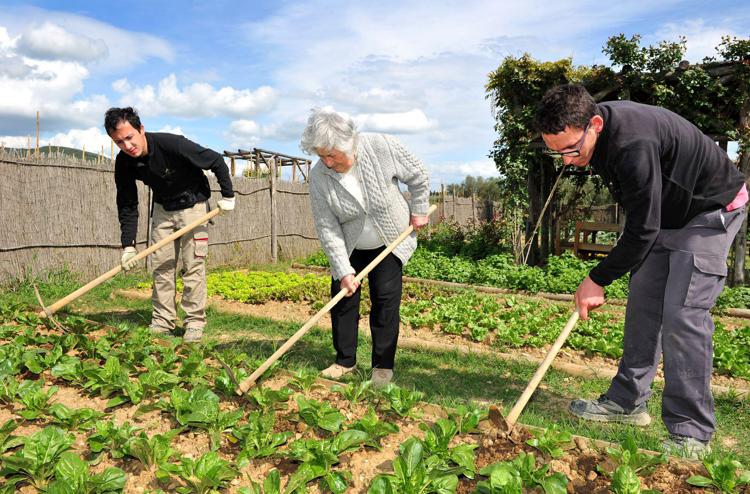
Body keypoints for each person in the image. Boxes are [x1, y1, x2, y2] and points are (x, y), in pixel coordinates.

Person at [534, 84, 747, 458]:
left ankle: (691, 432)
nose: (567, 160)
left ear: (595, 124)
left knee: (683, 317)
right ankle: (627, 402)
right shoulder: (594, 137)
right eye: (557, 153)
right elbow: (643, 216)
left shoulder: (632, 142)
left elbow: (642, 227)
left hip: (709, 210)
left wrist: (596, 278)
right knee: (644, 305)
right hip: (667, 214)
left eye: (570, 150)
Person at [300, 107, 430, 386]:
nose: (327, 161)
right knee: (343, 299)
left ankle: (382, 367)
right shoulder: (320, 177)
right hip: (350, 245)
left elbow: (418, 174)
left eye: (331, 154)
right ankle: (344, 361)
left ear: (348, 143)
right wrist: (344, 270)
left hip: (389, 239)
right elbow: (327, 226)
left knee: (385, 300)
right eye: (321, 155)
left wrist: (419, 209)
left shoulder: (380, 146)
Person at [104, 107, 235, 342]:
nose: (127, 145)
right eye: (119, 142)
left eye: (129, 137)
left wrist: (228, 196)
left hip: (194, 206)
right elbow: (127, 203)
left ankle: (194, 323)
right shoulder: (124, 163)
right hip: (163, 209)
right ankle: (162, 321)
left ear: (141, 129)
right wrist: (129, 245)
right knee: (161, 266)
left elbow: (215, 160)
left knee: (192, 266)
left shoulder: (171, 144)